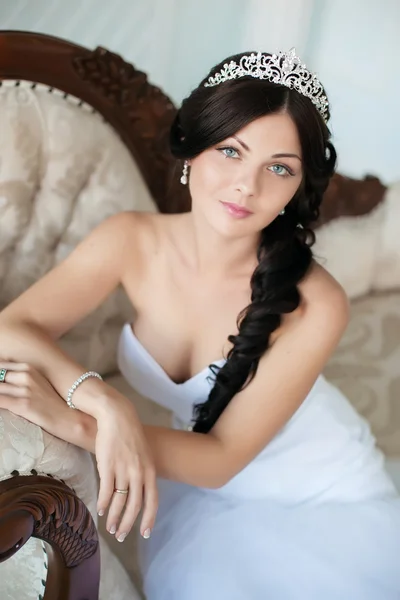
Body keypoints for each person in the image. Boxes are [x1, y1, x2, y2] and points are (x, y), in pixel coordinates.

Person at [0, 48, 399, 600]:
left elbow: (219, 462)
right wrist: (101, 399)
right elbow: (12, 326)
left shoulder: (318, 302)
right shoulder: (129, 239)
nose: (246, 186)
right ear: (192, 150)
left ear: (297, 187)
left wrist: (82, 427)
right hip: (194, 477)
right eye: (230, 151)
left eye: (279, 167)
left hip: (318, 490)